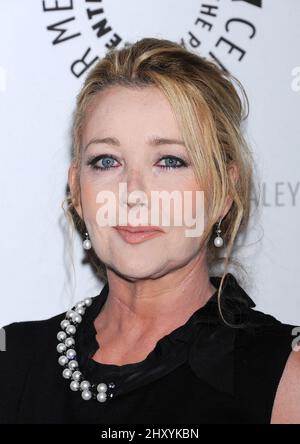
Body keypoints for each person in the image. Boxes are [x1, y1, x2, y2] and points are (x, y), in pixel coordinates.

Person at [0, 37, 299, 424]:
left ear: (223, 192)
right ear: (77, 190)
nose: (134, 193)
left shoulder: (284, 378)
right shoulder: (13, 362)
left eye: (170, 161)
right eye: (106, 161)